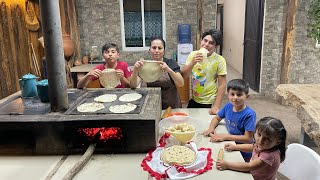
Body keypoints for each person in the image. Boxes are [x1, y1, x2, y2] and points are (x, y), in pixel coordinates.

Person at [216, 117, 287, 180]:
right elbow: (252, 147)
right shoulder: (264, 145)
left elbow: (249, 166)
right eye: (259, 134)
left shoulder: (269, 156)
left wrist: (227, 165)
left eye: (267, 138)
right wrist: (235, 147)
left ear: (277, 142)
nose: (260, 140)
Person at [203, 79, 256, 161]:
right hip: (230, 144)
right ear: (228, 95)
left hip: (243, 151)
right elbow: (217, 118)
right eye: (232, 94)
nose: (235, 97)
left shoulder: (249, 114)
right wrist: (211, 128)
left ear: (247, 96)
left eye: (239, 95)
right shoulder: (228, 106)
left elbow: (248, 138)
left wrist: (225, 136)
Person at [129, 37, 184, 109]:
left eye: (159, 48)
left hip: (171, 106)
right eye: (154, 48)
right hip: (152, 105)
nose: (156, 50)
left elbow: (181, 83)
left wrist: (168, 69)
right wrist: (136, 70)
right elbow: (133, 85)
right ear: (149, 50)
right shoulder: (145, 65)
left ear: (164, 51)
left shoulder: (170, 63)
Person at [181, 29, 227, 115]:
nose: (206, 45)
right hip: (194, 98)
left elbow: (222, 84)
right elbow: (183, 75)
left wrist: (216, 106)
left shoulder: (220, 60)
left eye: (211, 43)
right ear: (201, 41)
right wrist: (193, 62)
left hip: (209, 102)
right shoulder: (192, 54)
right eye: (205, 41)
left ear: (216, 46)